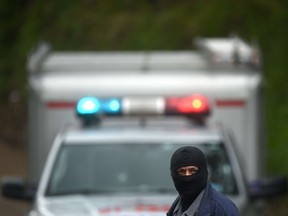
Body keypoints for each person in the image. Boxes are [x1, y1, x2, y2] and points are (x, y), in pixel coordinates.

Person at [166, 146, 239, 216]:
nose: (187, 178)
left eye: (193, 171)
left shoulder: (222, 210)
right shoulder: (176, 209)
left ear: (204, 172)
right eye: (182, 171)